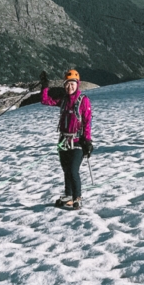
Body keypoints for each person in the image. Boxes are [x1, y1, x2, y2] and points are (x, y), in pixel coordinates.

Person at [40, 69, 93, 209]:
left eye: (72, 84)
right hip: (63, 141)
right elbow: (45, 100)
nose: (70, 87)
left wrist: (87, 141)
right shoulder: (63, 100)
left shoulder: (83, 101)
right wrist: (45, 86)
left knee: (73, 170)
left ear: (77, 84)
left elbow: (87, 121)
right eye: (67, 84)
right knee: (66, 170)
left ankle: (77, 198)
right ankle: (68, 195)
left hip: (77, 142)